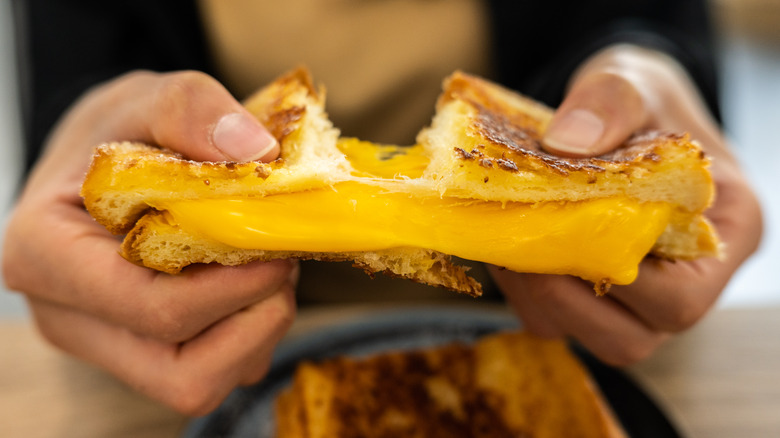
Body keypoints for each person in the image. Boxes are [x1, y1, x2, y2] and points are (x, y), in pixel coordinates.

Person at [3, 0, 762, 416]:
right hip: (214, 345)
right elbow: (82, 74)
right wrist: (82, 126)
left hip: (551, 322)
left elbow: (643, 18)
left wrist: (646, 67)